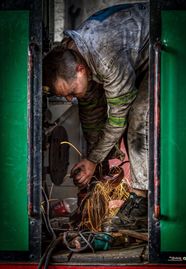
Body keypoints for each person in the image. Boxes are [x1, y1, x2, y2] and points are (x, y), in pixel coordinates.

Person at [43, 3, 149, 218]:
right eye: (64, 96)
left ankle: (141, 198)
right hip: (128, 54)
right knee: (93, 104)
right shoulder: (72, 55)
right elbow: (92, 114)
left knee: (138, 115)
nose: (69, 99)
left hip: (165, 46)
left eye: (71, 91)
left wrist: (93, 160)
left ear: (80, 70)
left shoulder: (105, 57)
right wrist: (95, 166)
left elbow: (119, 118)